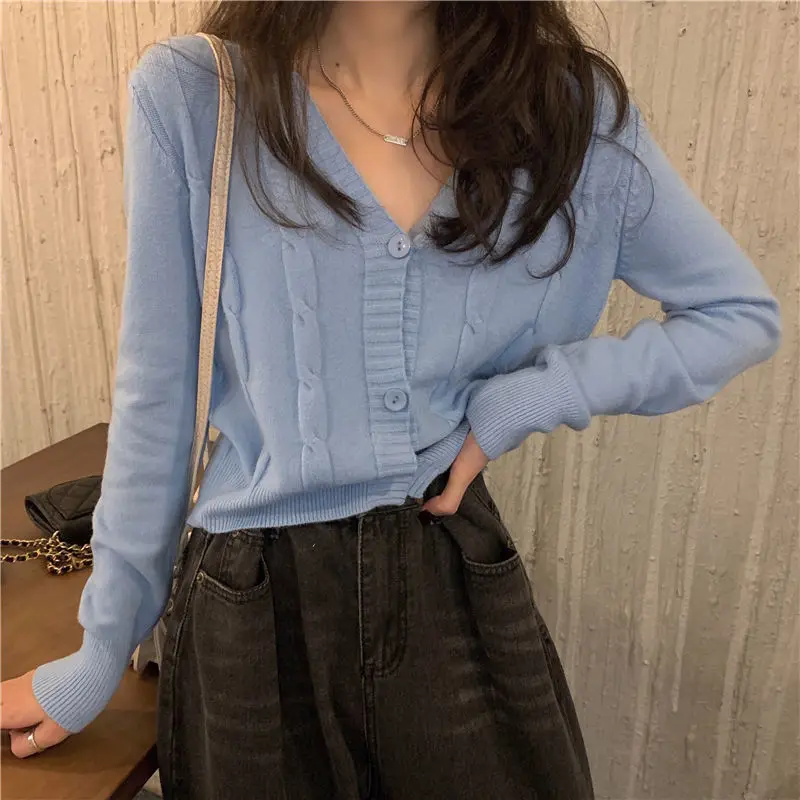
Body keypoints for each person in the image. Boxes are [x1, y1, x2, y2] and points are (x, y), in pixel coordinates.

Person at [1, 2, 780, 799]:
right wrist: (101, 652)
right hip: (252, 604)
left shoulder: (565, 110)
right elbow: (156, 399)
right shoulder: (200, 95)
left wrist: (532, 397)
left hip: (449, 565)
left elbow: (737, 316)